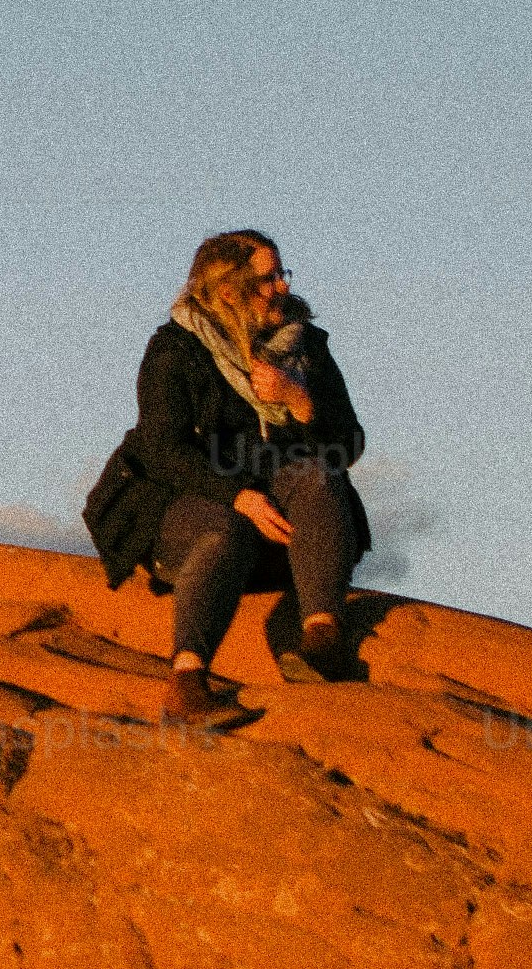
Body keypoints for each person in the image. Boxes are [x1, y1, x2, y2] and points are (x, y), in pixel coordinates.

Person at [79, 229, 370, 719]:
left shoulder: (305, 348)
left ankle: (323, 640)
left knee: (320, 478)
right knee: (224, 530)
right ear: (230, 290)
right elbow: (162, 449)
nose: (282, 287)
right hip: (179, 503)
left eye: (283, 274)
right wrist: (238, 495)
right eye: (267, 278)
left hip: (276, 516)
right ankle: (187, 685)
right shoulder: (177, 347)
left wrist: (299, 399)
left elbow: (349, 446)